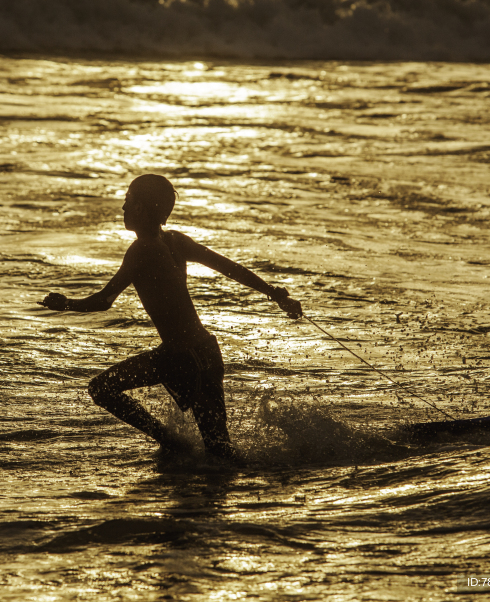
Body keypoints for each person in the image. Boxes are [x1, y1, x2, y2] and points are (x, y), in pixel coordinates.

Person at [40, 174, 301, 458]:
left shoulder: (141, 250)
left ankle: (172, 442)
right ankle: (181, 449)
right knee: (220, 451)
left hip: (182, 359)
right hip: (204, 353)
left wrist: (66, 304)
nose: (123, 209)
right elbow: (230, 268)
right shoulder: (175, 240)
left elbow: (104, 301)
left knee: (102, 389)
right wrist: (275, 294)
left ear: (140, 207)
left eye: (127, 202)